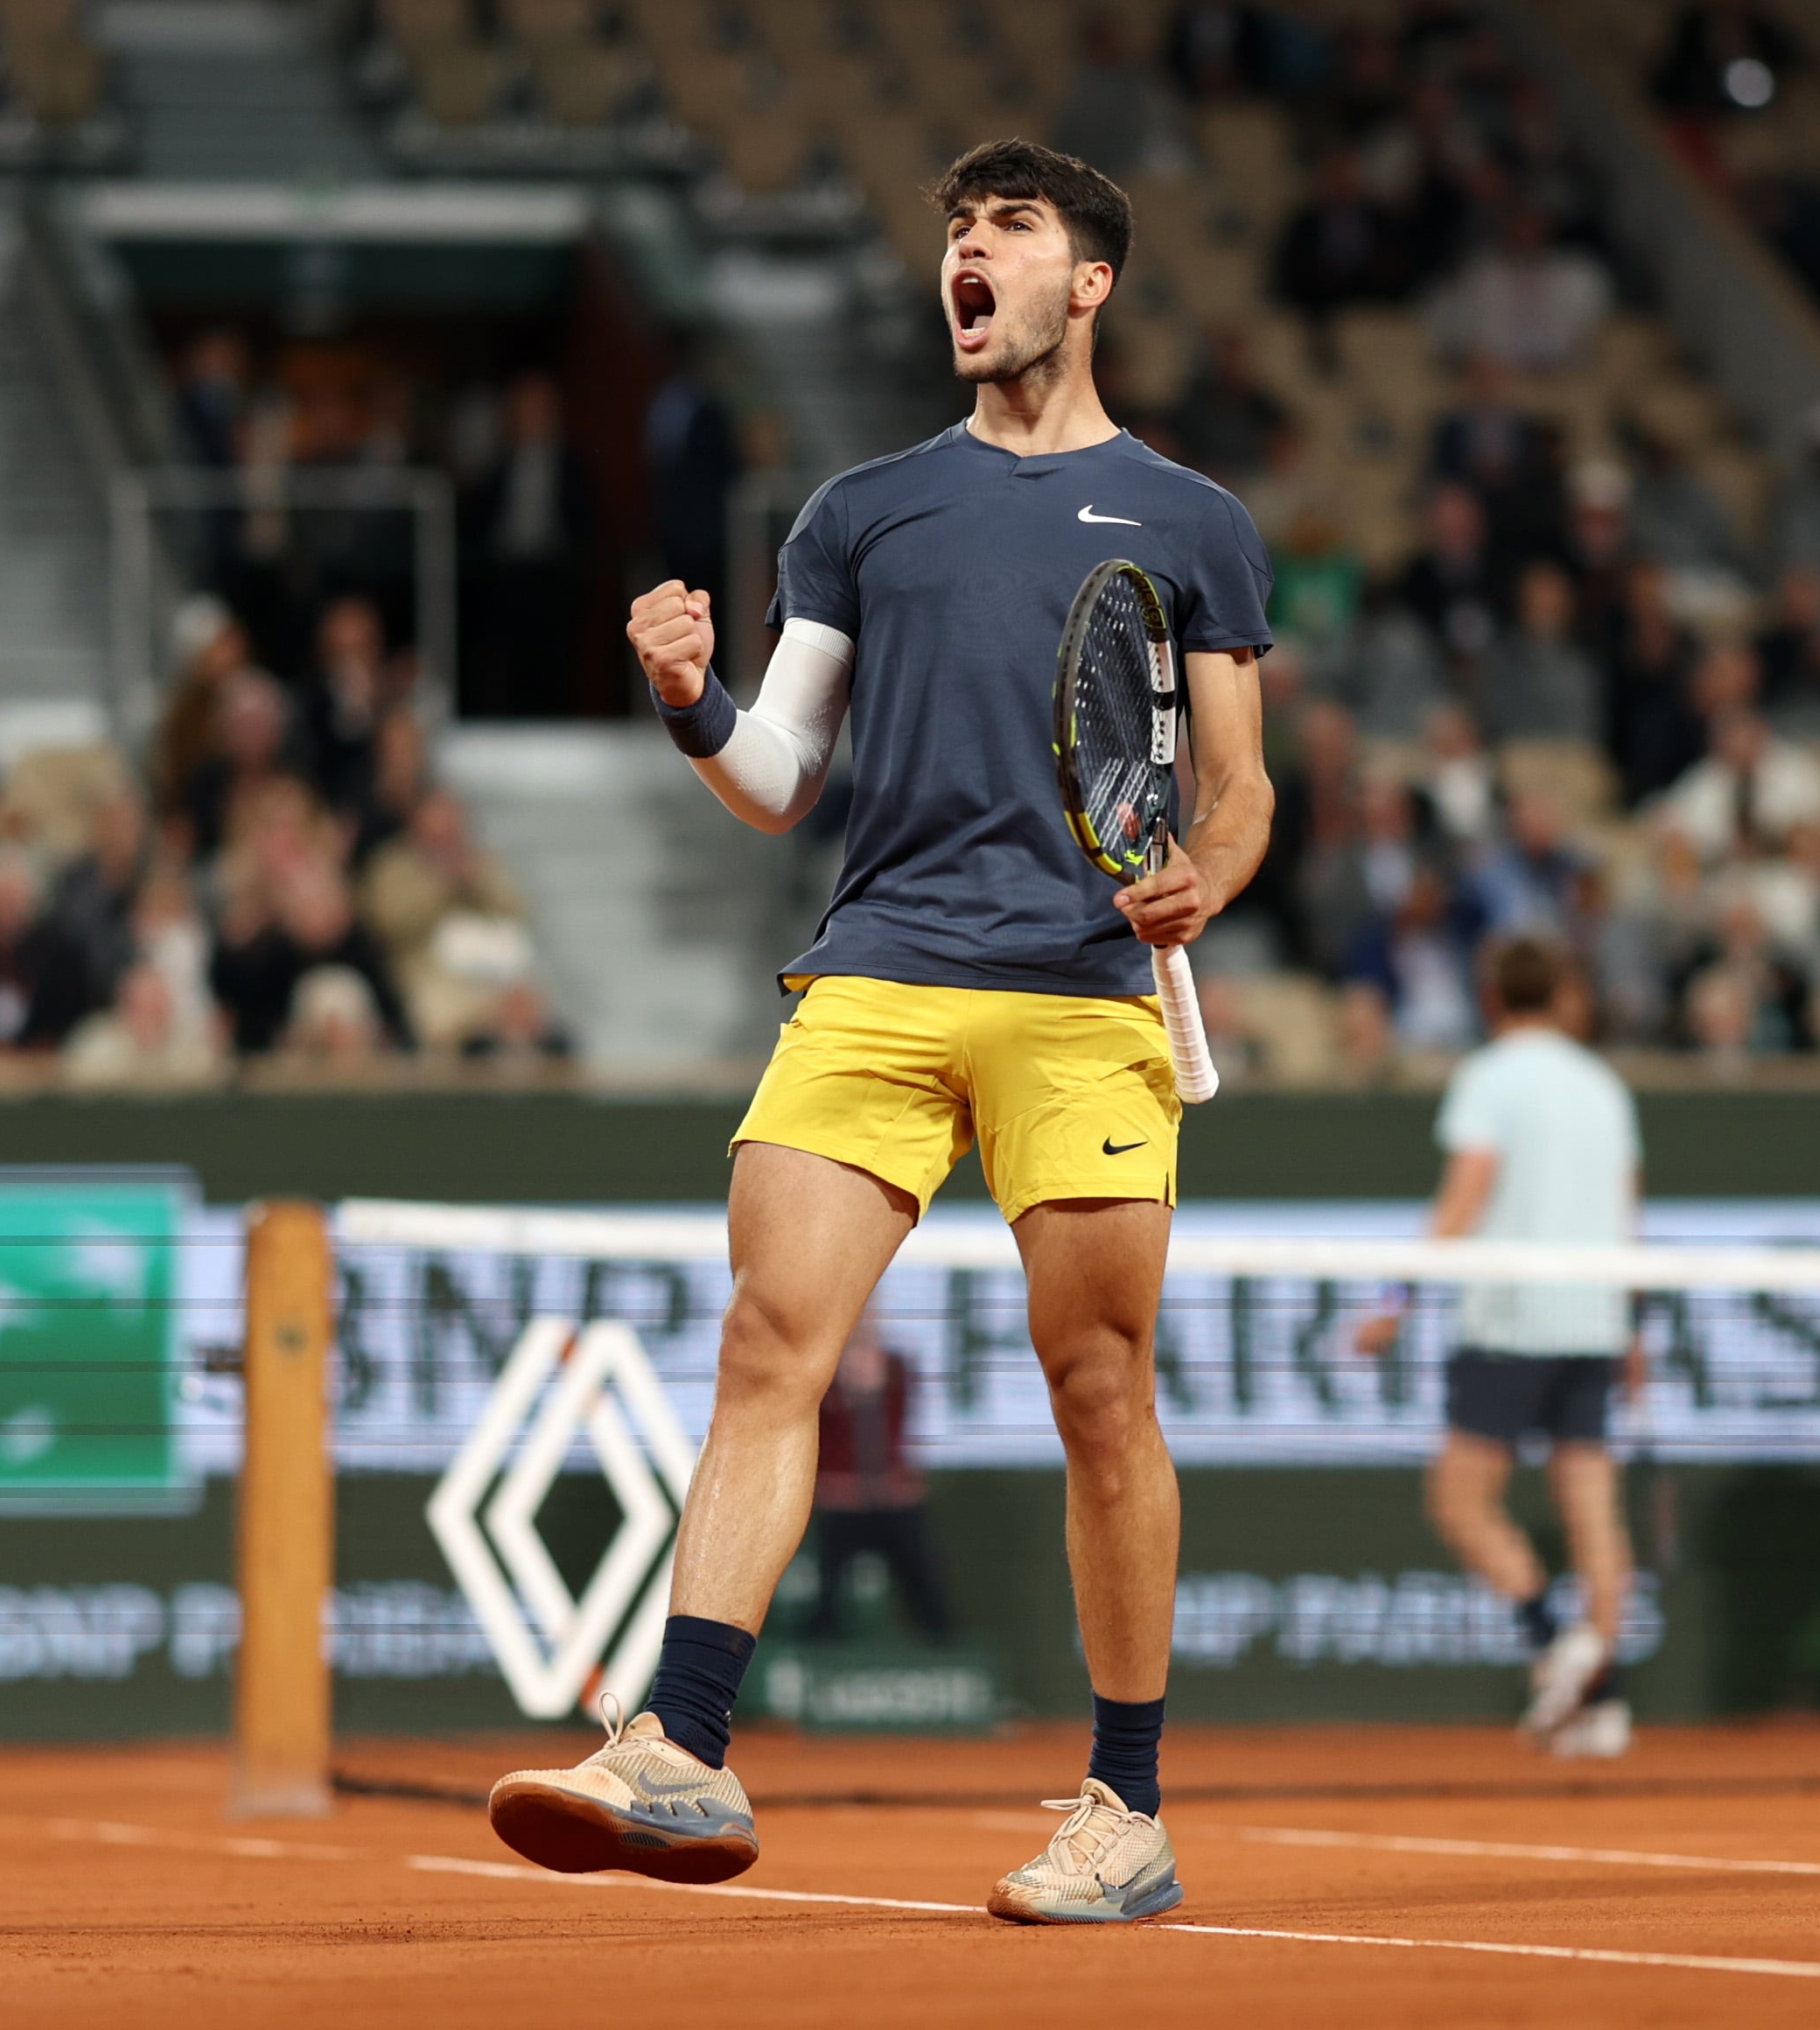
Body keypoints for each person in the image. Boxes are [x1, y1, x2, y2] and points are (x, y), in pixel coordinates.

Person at [490, 140, 1272, 1926]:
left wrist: (1203, 882)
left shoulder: (1194, 522)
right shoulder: (858, 509)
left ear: (1091, 284)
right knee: (772, 1337)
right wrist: (696, 700)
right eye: (953, 230)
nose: (966, 251)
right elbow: (780, 780)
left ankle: (1125, 1807)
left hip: (1082, 997)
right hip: (878, 973)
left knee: (1101, 1393)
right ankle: (681, 1738)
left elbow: (1238, 791)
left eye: (1007, 227)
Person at [1355, 938, 1642, 1754]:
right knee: (1593, 1509)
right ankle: (1605, 1697)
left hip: (1513, 1322)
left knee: (1460, 1502)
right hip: (1594, 1321)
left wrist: (1393, 1299)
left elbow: (1463, 1200)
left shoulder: (1490, 1077)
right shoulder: (1605, 1087)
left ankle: (1558, 1646)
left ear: (1492, 999)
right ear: (1564, 996)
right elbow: (1628, 1219)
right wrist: (1631, 1324)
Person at [801, 1312, 955, 1645]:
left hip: (893, 1497)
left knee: (926, 1585)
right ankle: (820, 1651)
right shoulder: (823, 1374)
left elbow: (905, 1413)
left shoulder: (897, 1368)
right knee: (827, 1591)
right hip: (842, 1500)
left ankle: (943, 1648)